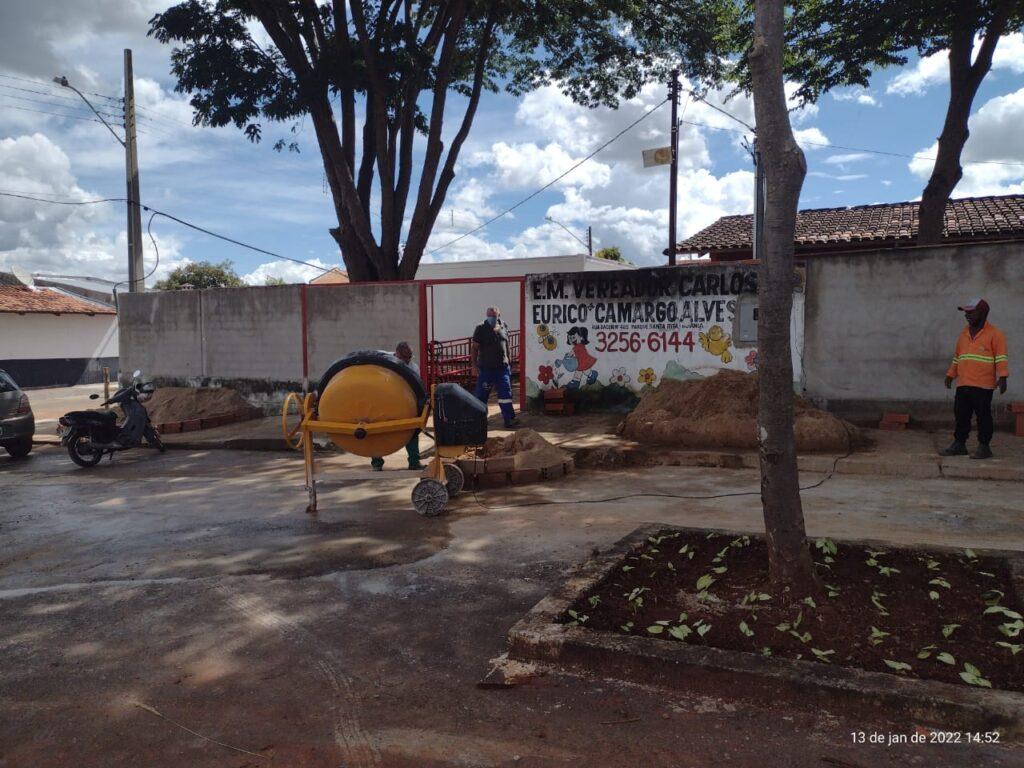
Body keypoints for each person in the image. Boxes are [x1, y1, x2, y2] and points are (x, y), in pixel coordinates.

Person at [939, 298, 1009, 460]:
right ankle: (959, 444)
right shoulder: (963, 334)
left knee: (983, 416)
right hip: (963, 383)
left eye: (971, 312)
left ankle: (984, 446)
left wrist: (1003, 376)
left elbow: (1001, 357)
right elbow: (958, 357)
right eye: (966, 313)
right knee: (961, 415)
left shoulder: (995, 334)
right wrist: (951, 374)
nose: (967, 315)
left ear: (983, 313)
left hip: (983, 385)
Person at [370, 341, 425, 471]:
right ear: (397, 353)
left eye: (409, 357)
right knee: (376, 431)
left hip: (403, 403)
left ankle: (414, 462)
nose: (407, 360)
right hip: (382, 402)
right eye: (404, 357)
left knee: (411, 431)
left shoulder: (413, 368)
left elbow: (417, 388)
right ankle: (377, 463)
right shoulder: (384, 359)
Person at [471, 306, 518, 428]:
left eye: (494, 316)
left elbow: (506, 343)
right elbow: (474, 348)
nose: (491, 318)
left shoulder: (504, 326)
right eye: (489, 315)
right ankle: (480, 420)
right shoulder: (480, 328)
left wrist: (509, 359)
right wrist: (474, 366)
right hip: (486, 369)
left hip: (502, 368)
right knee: (481, 395)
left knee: (505, 395)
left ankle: (509, 419)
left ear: (498, 316)